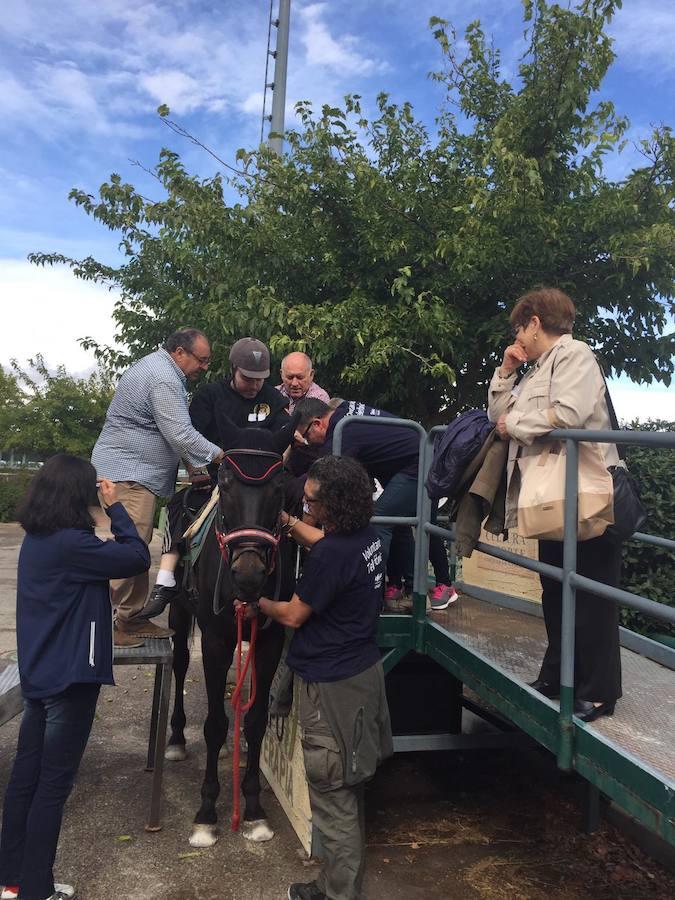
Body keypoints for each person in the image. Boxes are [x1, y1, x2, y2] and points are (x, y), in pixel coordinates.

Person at [241, 455, 392, 900]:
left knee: (332, 794)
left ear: (334, 504)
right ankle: (337, 883)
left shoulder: (332, 555)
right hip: (363, 674)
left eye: (310, 502)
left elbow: (291, 614)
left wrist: (259, 604)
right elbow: (322, 543)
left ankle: (337, 894)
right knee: (349, 783)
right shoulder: (368, 538)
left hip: (331, 688)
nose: (306, 507)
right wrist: (286, 522)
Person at [0, 455, 150, 900]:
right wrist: (116, 507)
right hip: (69, 678)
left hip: (41, 674)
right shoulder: (72, 545)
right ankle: (36, 890)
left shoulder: (39, 538)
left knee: (26, 778)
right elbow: (136, 556)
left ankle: (12, 880)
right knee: (53, 785)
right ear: (77, 496)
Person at [488, 286, 622, 722]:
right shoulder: (535, 369)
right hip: (555, 497)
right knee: (555, 590)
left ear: (534, 322)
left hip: (587, 497)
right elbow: (498, 416)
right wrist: (507, 371)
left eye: (518, 328)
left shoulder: (575, 355)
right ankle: (557, 673)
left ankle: (600, 691)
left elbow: (568, 414)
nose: (517, 337)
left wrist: (515, 424)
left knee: (592, 594)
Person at [92, 328, 225, 647]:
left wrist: (194, 467)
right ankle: (117, 624)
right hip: (129, 476)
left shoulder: (156, 367)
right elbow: (179, 432)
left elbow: (169, 432)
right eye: (202, 360)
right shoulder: (164, 379)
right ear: (180, 352)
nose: (205, 367)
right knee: (130, 547)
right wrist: (220, 455)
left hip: (129, 473)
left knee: (135, 544)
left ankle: (131, 617)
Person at [142, 337, 290, 615]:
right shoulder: (210, 396)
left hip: (262, 482)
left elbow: (286, 440)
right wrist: (196, 471)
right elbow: (188, 437)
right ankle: (166, 581)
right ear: (233, 369)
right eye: (248, 378)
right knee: (178, 506)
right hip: (217, 478)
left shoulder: (273, 399)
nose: (255, 386)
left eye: (260, 379)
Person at [294, 398, 457, 612]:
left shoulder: (342, 432)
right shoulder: (345, 414)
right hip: (411, 464)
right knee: (402, 523)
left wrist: (293, 502)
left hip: (418, 466)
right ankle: (407, 587)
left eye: (306, 436)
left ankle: (370, 595)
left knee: (380, 521)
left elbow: (320, 479)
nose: (309, 442)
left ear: (317, 423)